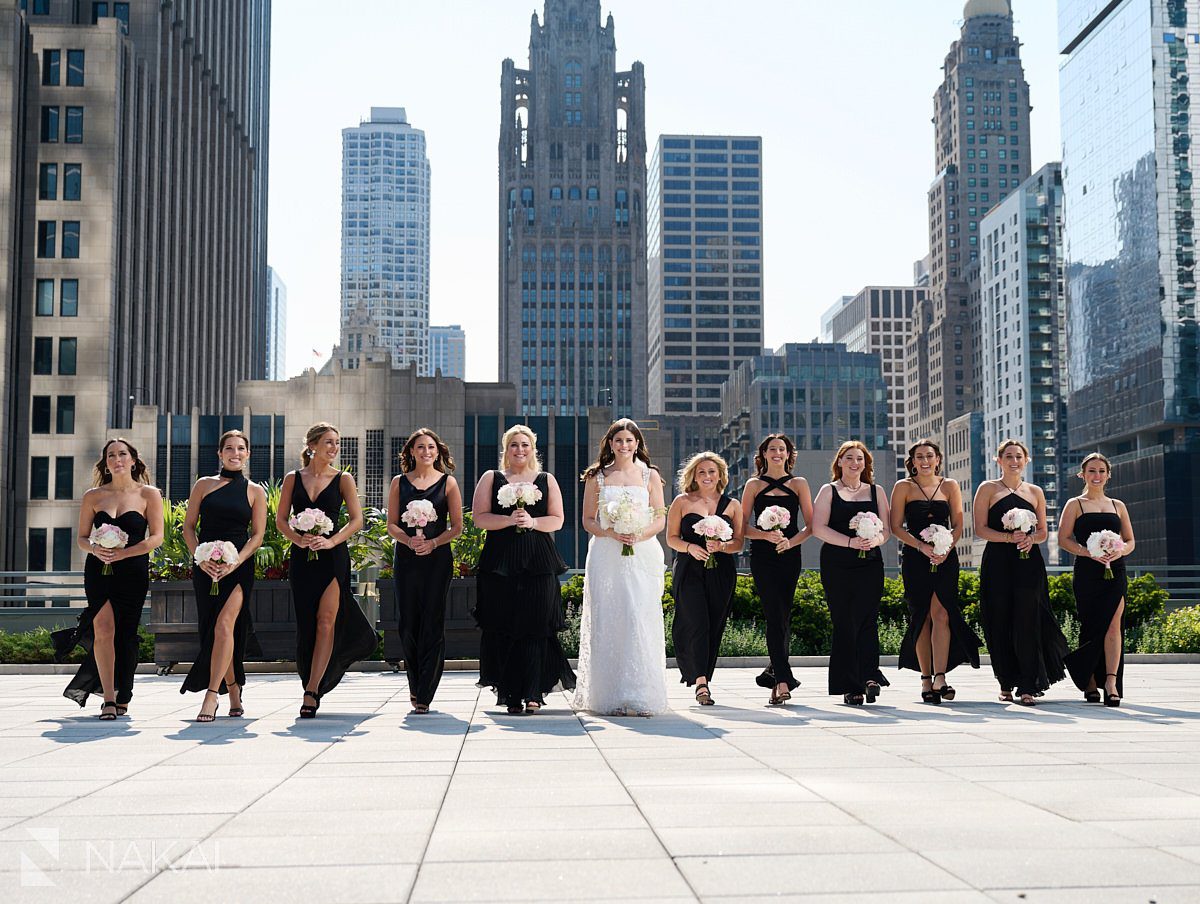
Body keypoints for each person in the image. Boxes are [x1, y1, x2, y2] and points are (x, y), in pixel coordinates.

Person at [471, 424, 575, 714]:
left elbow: (557, 519)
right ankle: (510, 694)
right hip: (499, 561)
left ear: (533, 448)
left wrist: (532, 523)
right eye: (514, 444)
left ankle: (533, 692)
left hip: (538, 561)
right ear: (507, 448)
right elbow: (479, 517)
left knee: (536, 626)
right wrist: (509, 520)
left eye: (525, 444)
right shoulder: (491, 478)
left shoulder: (546, 479)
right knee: (504, 625)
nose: (520, 449)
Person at [277, 422, 378, 718]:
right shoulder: (293, 479)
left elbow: (356, 520)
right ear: (312, 446)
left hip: (333, 559)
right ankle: (312, 677)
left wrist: (330, 540)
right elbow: (282, 519)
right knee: (307, 625)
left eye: (337, 443)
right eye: (329, 443)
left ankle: (311, 690)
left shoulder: (344, 479)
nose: (334, 448)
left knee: (325, 622)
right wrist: (299, 538)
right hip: (301, 559)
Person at [573, 419, 669, 717]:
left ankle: (640, 693)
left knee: (638, 616)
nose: (624, 446)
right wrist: (612, 532)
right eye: (619, 441)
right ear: (610, 444)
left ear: (637, 444)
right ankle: (610, 695)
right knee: (611, 616)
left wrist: (638, 534)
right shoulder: (597, 477)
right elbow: (588, 520)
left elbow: (659, 518)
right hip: (606, 552)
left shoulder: (649, 475)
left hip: (641, 552)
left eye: (629, 441)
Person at [63, 439, 164, 717]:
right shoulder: (93, 496)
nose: (117, 459)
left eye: (122, 454)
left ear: (133, 460)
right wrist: (96, 549)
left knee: (126, 635)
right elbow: (82, 539)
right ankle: (108, 698)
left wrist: (126, 553)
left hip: (132, 572)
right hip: (99, 570)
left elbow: (156, 537)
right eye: (111, 455)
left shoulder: (149, 494)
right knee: (104, 628)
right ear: (105, 462)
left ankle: (124, 692)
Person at [181, 429, 267, 721]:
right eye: (228, 448)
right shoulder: (203, 485)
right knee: (216, 631)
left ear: (247, 454)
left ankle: (210, 696)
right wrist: (200, 558)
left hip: (238, 568)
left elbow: (257, 536)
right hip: (205, 567)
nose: (235, 453)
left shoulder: (256, 491)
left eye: (240, 448)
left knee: (225, 627)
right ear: (220, 454)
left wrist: (237, 561)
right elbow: (189, 527)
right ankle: (234, 690)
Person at [974, 439, 1068, 706]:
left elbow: (1043, 532)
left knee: (1028, 621)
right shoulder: (988, 488)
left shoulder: (1035, 491)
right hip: (998, 562)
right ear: (999, 460)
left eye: (1019, 456)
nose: (1014, 460)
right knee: (1000, 619)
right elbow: (980, 529)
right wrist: (1008, 538)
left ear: (1026, 460)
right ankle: (1006, 680)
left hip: (1029, 563)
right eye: (1008, 456)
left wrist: (1031, 539)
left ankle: (1028, 684)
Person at [890, 439, 980, 704]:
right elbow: (896, 527)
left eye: (930, 455)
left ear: (938, 459)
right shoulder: (903, 487)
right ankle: (925, 679)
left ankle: (941, 677)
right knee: (922, 616)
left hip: (945, 558)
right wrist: (921, 547)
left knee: (942, 613)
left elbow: (959, 524)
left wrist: (945, 547)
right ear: (913, 461)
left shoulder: (950, 485)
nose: (925, 460)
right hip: (916, 559)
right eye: (920, 456)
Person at [387, 428, 463, 714]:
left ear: (438, 451)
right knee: (408, 623)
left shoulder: (448, 483)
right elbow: (391, 524)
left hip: (437, 560)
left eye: (431, 447)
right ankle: (413, 684)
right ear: (411, 452)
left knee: (432, 621)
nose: (426, 452)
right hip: (406, 560)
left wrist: (432, 542)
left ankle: (425, 693)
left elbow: (457, 527)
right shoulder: (398, 482)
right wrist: (408, 540)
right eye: (420, 447)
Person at [810, 441, 890, 705]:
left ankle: (869, 676)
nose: (855, 463)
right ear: (840, 462)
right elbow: (818, 528)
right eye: (849, 458)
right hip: (837, 563)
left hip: (870, 562)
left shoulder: (876, 491)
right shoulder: (828, 490)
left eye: (860, 458)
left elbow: (886, 531)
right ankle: (849, 684)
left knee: (868, 619)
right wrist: (849, 542)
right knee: (844, 621)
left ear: (866, 464)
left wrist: (873, 541)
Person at [666, 452, 743, 705]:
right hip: (688, 569)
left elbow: (739, 543)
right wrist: (690, 548)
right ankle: (700, 683)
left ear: (721, 475)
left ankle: (704, 677)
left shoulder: (732, 505)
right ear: (693, 476)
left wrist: (722, 547)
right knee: (696, 622)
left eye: (712, 471)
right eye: (702, 472)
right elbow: (671, 538)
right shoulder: (682, 501)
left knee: (713, 625)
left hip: (721, 571)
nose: (707, 476)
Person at [740, 434, 812, 705]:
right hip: (762, 557)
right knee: (773, 615)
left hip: (790, 556)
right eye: (773, 449)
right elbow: (741, 527)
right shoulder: (753, 485)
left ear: (788, 454)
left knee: (783, 616)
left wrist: (789, 542)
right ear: (764, 454)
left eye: (782, 449)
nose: (777, 453)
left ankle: (776, 678)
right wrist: (763, 536)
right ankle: (783, 680)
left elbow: (811, 526)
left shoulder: (799, 483)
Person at [1060, 453, 1136, 706]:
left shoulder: (1118, 505)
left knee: (1114, 624)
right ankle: (1090, 679)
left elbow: (1130, 540)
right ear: (1082, 474)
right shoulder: (1075, 504)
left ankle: (1111, 682)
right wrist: (1087, 552)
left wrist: (1120, 550)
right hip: (1087, 572)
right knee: (1091, 625)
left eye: (1101, 471)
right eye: (1092, 471)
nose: (1097, 475)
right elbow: (1064, 539)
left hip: (1116, 571)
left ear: (1108, 475)